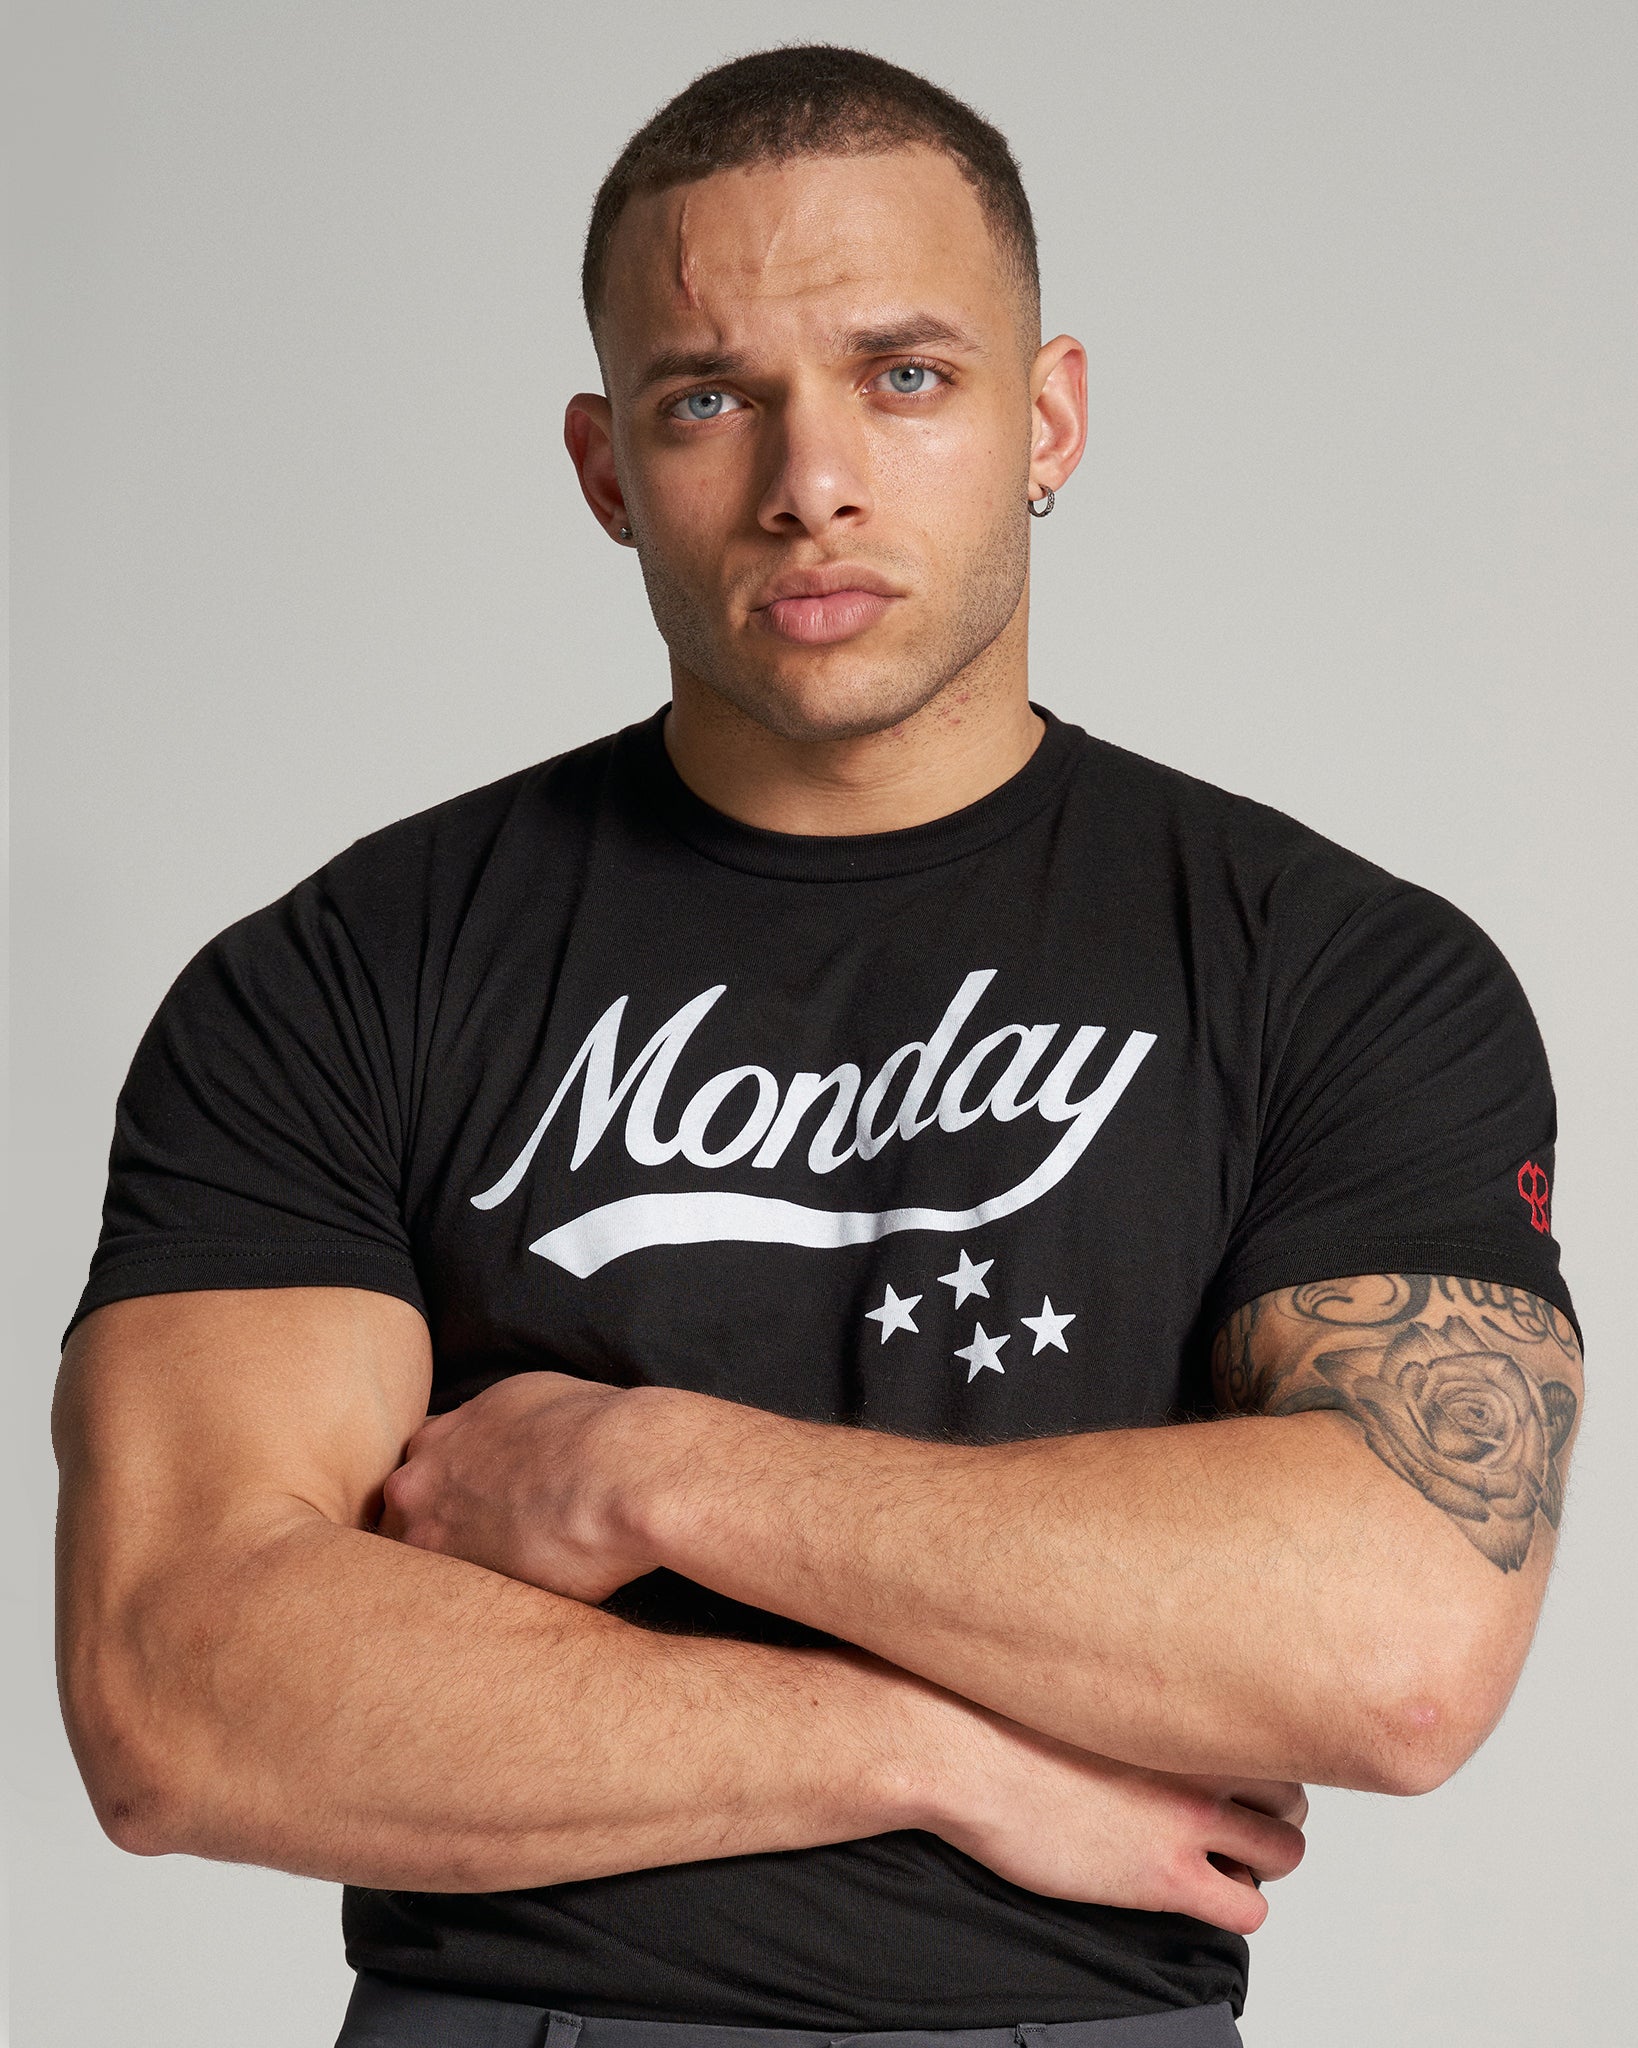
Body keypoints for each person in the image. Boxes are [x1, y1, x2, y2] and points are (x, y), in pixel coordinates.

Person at [53, 45, 1582, 2048]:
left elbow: (1392, 1640)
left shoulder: (1340, 972)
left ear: (1050, 419)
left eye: (909, 375)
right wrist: (930, 1754)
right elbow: (181, 1691)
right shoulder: (341, 979)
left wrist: (650, 1468)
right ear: (608, 469)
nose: (813, 482)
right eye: (712, 400)